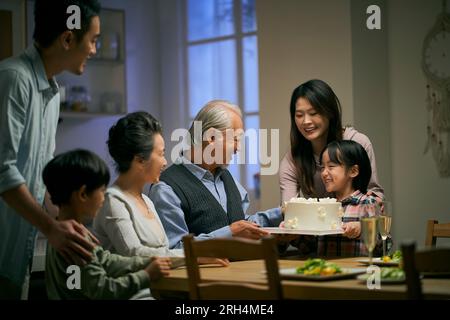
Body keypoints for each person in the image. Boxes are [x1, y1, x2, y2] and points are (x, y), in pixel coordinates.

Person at [0, 0, 101, 299]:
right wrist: (52, 227)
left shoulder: (52, 92)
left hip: (17, 256)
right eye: (93, 40)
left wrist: (64, 222)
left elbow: (41, 170)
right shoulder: (13, 78)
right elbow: (3, 169)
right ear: (68, 38)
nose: (94, 50)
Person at [94, 112, 228, 267]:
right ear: (139, 161)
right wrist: (194, 256)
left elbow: (165, 250)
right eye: (161, 154)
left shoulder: (147, 201)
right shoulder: (113, 202)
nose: (165, 162)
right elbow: (134, 253)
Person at [149, 100, 284, 249]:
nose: (238, 148)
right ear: (212, 138)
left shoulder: (226, 177)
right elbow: (175, 250)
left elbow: (242, 224)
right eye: (235, 140)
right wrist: (230, 233)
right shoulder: (166, 188)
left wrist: (281, 214)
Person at [43, 149, 171, 299]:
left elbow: (105, 260)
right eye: (102, 191)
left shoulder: (64, 233)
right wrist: (146, 276)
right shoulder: (75, 241)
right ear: (83, 194)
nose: (104, 197)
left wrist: (146, 261)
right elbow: (102, 290)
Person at [279, 79, 384, 202]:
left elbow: (375, 195)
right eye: (299, 115)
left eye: (313, 113)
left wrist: (360, 217)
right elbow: (289, 208)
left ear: (330, 112)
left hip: (358, 218)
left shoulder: (357, 142)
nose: (306, 121)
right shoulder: (293, 159)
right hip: (319, 221)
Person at [317, 140, 384, 257]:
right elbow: (311, 245)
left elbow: (383, 243)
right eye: (322, 167)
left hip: (359, 273)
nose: (324, 173)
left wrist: (362, 229)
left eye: (331, 166)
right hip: (325, 272)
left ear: (353, 171)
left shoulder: (368, 203)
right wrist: (291, 237)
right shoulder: (322, 206)